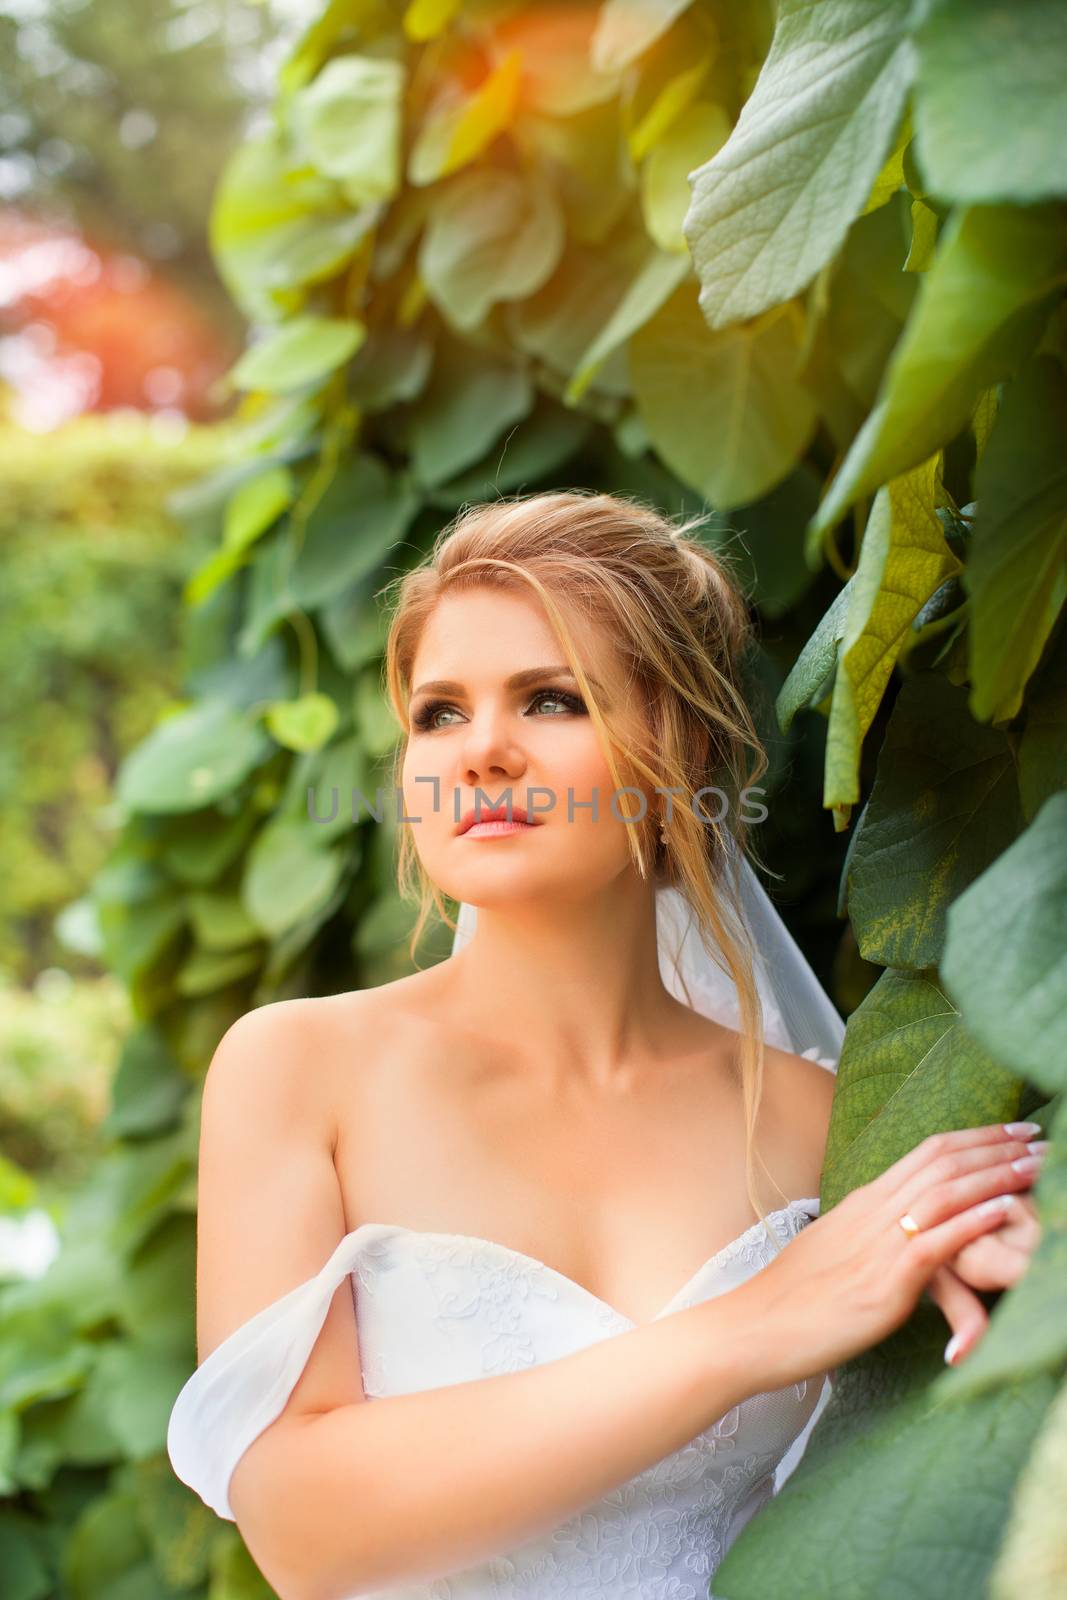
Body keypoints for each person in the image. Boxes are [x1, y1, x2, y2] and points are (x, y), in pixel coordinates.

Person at [167, 490, 1043, 1600]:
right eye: (437, 713)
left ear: (678, 748)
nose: (479, 750)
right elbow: (297, 1526)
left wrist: (1003, 1236)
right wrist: (755, 1323)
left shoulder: (816, 1118)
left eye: (550, 698)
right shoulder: (299, 1070)